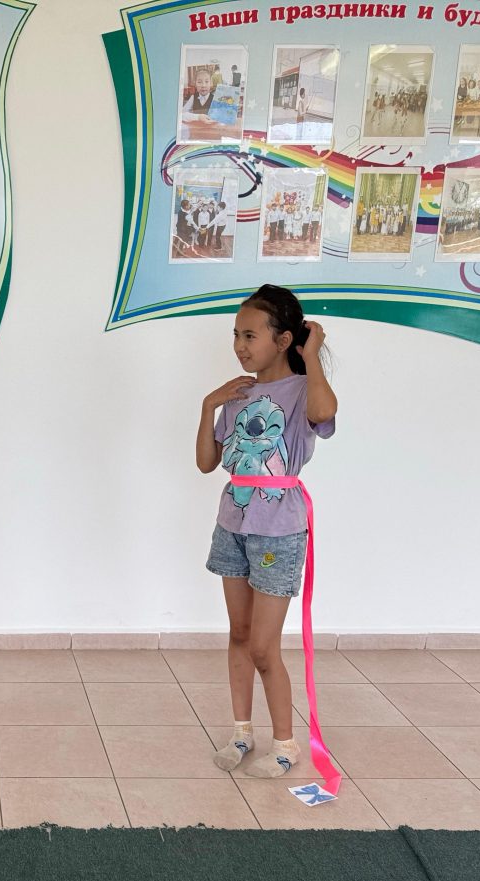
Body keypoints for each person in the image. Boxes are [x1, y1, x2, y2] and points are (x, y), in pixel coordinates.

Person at [194, 285, 337, 777]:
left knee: (262, 646)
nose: (239, 345)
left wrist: (312, 356)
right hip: (232, 524)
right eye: (236, 335)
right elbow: (207, 463)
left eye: (250, 335)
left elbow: (324, 413)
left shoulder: (302, 391)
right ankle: (241, 733)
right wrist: (208, 405)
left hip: (278, 531)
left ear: (283, 340)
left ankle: (285, 744)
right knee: (238, 634)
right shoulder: (237, 394)